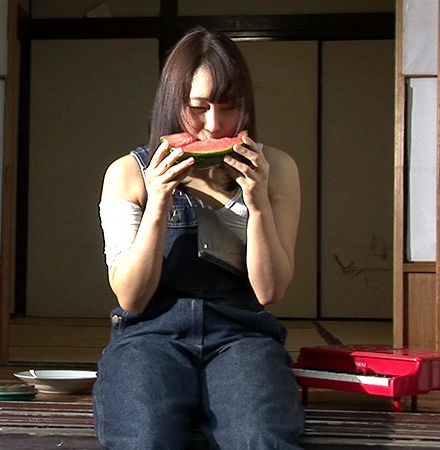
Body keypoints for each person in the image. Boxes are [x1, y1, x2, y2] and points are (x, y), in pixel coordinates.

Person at [93, 26, 305, 449]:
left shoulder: (277, 168)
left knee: (259, 439)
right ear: (173, 102)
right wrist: (158, 201)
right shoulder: (128, 173)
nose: (214, 125)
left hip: (242, 334)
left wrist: (257, 202)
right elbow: (131, 297)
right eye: (198, 107)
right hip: (149, 334)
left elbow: (271, 291)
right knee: (144, 439)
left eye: (229, 107)